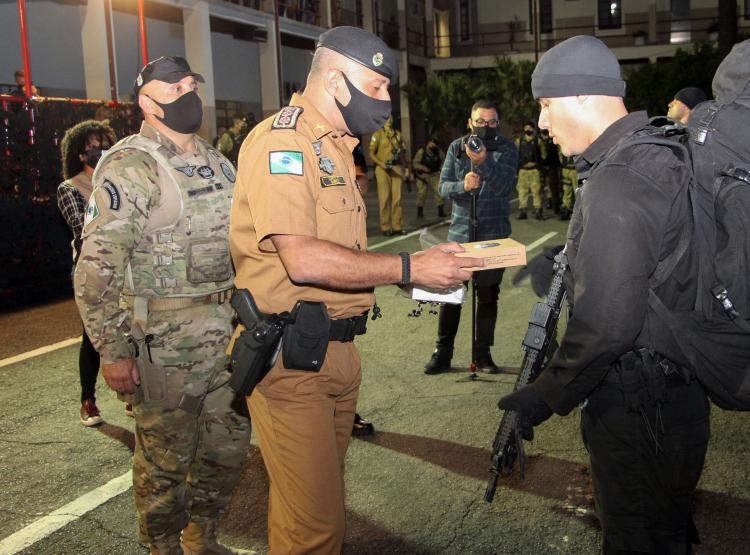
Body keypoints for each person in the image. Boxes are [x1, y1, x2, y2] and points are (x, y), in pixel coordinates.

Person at [229, 26, 483, 554]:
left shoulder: (337, 146)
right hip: (293, 359)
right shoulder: (285, 141)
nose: (386, 102)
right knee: (317, 531)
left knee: (305, 510)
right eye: (377, 85)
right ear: (337, 82)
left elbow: (345, 256)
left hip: (336, 350)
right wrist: (410, 269)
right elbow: (301, 258)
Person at [498, 36, 710, 554]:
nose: (542, 123)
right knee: (662, 528)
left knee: (638, 536)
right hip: (669, 399)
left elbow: (608, 324)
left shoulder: (622, 176)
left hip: (641, 408)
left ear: (579, 97)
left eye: (545, 105)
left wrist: (544, 396)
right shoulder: (654, 151)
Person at [73, 56, 251, 555]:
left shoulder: (217, 161)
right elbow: (95, 270)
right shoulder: (131, 167)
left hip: (227, 335)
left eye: (190, 85)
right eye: (171, 89)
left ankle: (203, 537)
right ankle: (163, 547)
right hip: (165, 346)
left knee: (227, 449)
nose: (185, 95)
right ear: (146, 103)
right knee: (164, 463)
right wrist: (111, 351)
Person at [424, 100, 519, 375]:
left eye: (491, 122)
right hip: (461, 234)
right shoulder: (456, 147)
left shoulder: (507, 148)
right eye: (480, 121)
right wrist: (462, 185)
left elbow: (504, 187)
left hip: (494, 234)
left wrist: (483, 163)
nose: (486, 126)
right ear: (470, 122)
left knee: (488, 297)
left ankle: (483, 354)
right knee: (451, 294)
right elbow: (442, 187)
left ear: (498, 124)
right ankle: (442, 353)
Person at [57, 119, 117, 427]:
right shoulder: (70, 188)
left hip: (125, 266)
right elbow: (84, 228)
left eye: (103, 144)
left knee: (131, 328)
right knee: (93, 335)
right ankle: (88, 399)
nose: (99, 151)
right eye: (92, 147)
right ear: (80, 154)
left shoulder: (117, 179)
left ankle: (132, 396)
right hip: (90, 269)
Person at [369, 116, 411, 235]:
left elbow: (403, 153)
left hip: (396, 168)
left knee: (397, 199)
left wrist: (406, 168)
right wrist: (381, 164)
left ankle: (397, 226)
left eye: (391, 117)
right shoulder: (377, 134)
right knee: (384, 198)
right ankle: (386, 227)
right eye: (387, 118)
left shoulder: (398, 135)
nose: (389, 120)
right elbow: (371, 153)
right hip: (382, 170)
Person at [515, 120, 545, 220]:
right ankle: (522, 211)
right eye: (526, 128)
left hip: (534, 170)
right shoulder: (519, 140)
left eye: (530, 127)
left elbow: (543, 154)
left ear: (533, 129)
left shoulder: (538, 141)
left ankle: (538, 211)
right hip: (523, 170)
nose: (528, 129)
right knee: (522, 191)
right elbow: (516, 154)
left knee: (536, 191)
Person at [413, 137, 446, 219]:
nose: (433, 145)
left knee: (439, 190)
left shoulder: (438, 152)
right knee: (422, 192)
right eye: (432, 143)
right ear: (428, 143)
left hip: (434, 174)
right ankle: (420, 210)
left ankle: (440, 210)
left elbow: (444, 160)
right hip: (423, 175)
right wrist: (423, 168)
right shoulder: (422, 152)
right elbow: (415, 163)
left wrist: (440, 169)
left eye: (435, 144)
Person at [558, 151, 577, 220]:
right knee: (571, 191)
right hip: (571, 169)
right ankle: (568, 210)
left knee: (569, 191)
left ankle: (567, 209)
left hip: (569, 169)